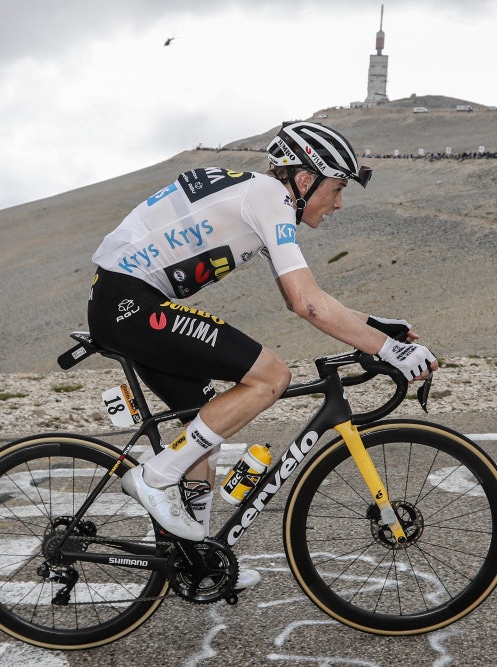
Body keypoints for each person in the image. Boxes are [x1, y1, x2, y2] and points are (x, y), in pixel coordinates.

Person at [87, 121, 437, 589]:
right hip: (130, 302)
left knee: (204, 432)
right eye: (336, 188)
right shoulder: (270, 197)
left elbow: (307, 295)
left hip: (124, 301)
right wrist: (388, 350)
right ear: (306, 178)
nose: (339, 203)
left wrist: (374, 327)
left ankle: (199, 565)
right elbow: (305, 304)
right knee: (271, 375)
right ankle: (153, 478)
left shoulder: (263, 198)